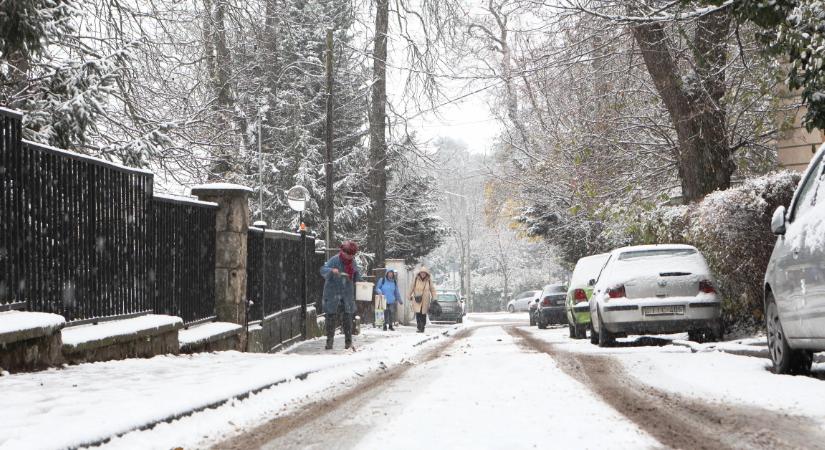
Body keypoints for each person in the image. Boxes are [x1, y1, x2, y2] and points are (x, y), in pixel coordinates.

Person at [320, 241, 361, 350]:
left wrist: (358, 278)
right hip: (332, 292)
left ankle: (348, 342)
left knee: (347, 318)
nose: (350, 256)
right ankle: (329, 342)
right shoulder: (334, 260)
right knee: (331, 317)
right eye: (348, 254)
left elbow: (357, 275)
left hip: (346, 293)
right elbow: (323, 270)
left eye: (352, 255)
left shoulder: (352, 262)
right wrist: (331, 270)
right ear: (343, 252)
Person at [409, 266, 437, 333]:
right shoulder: (416, 279)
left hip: (425, 299)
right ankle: (419, 326)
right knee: (418, 313)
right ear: (419, 273)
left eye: (424, 273)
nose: (423, 274)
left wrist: (434, 298)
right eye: (422, 273)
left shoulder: (429, 280)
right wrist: (409, 295)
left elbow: (432, 289)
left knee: (423, 313)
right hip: (417, 299)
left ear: (426, 274)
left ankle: (422, 326)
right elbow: (411, 288)